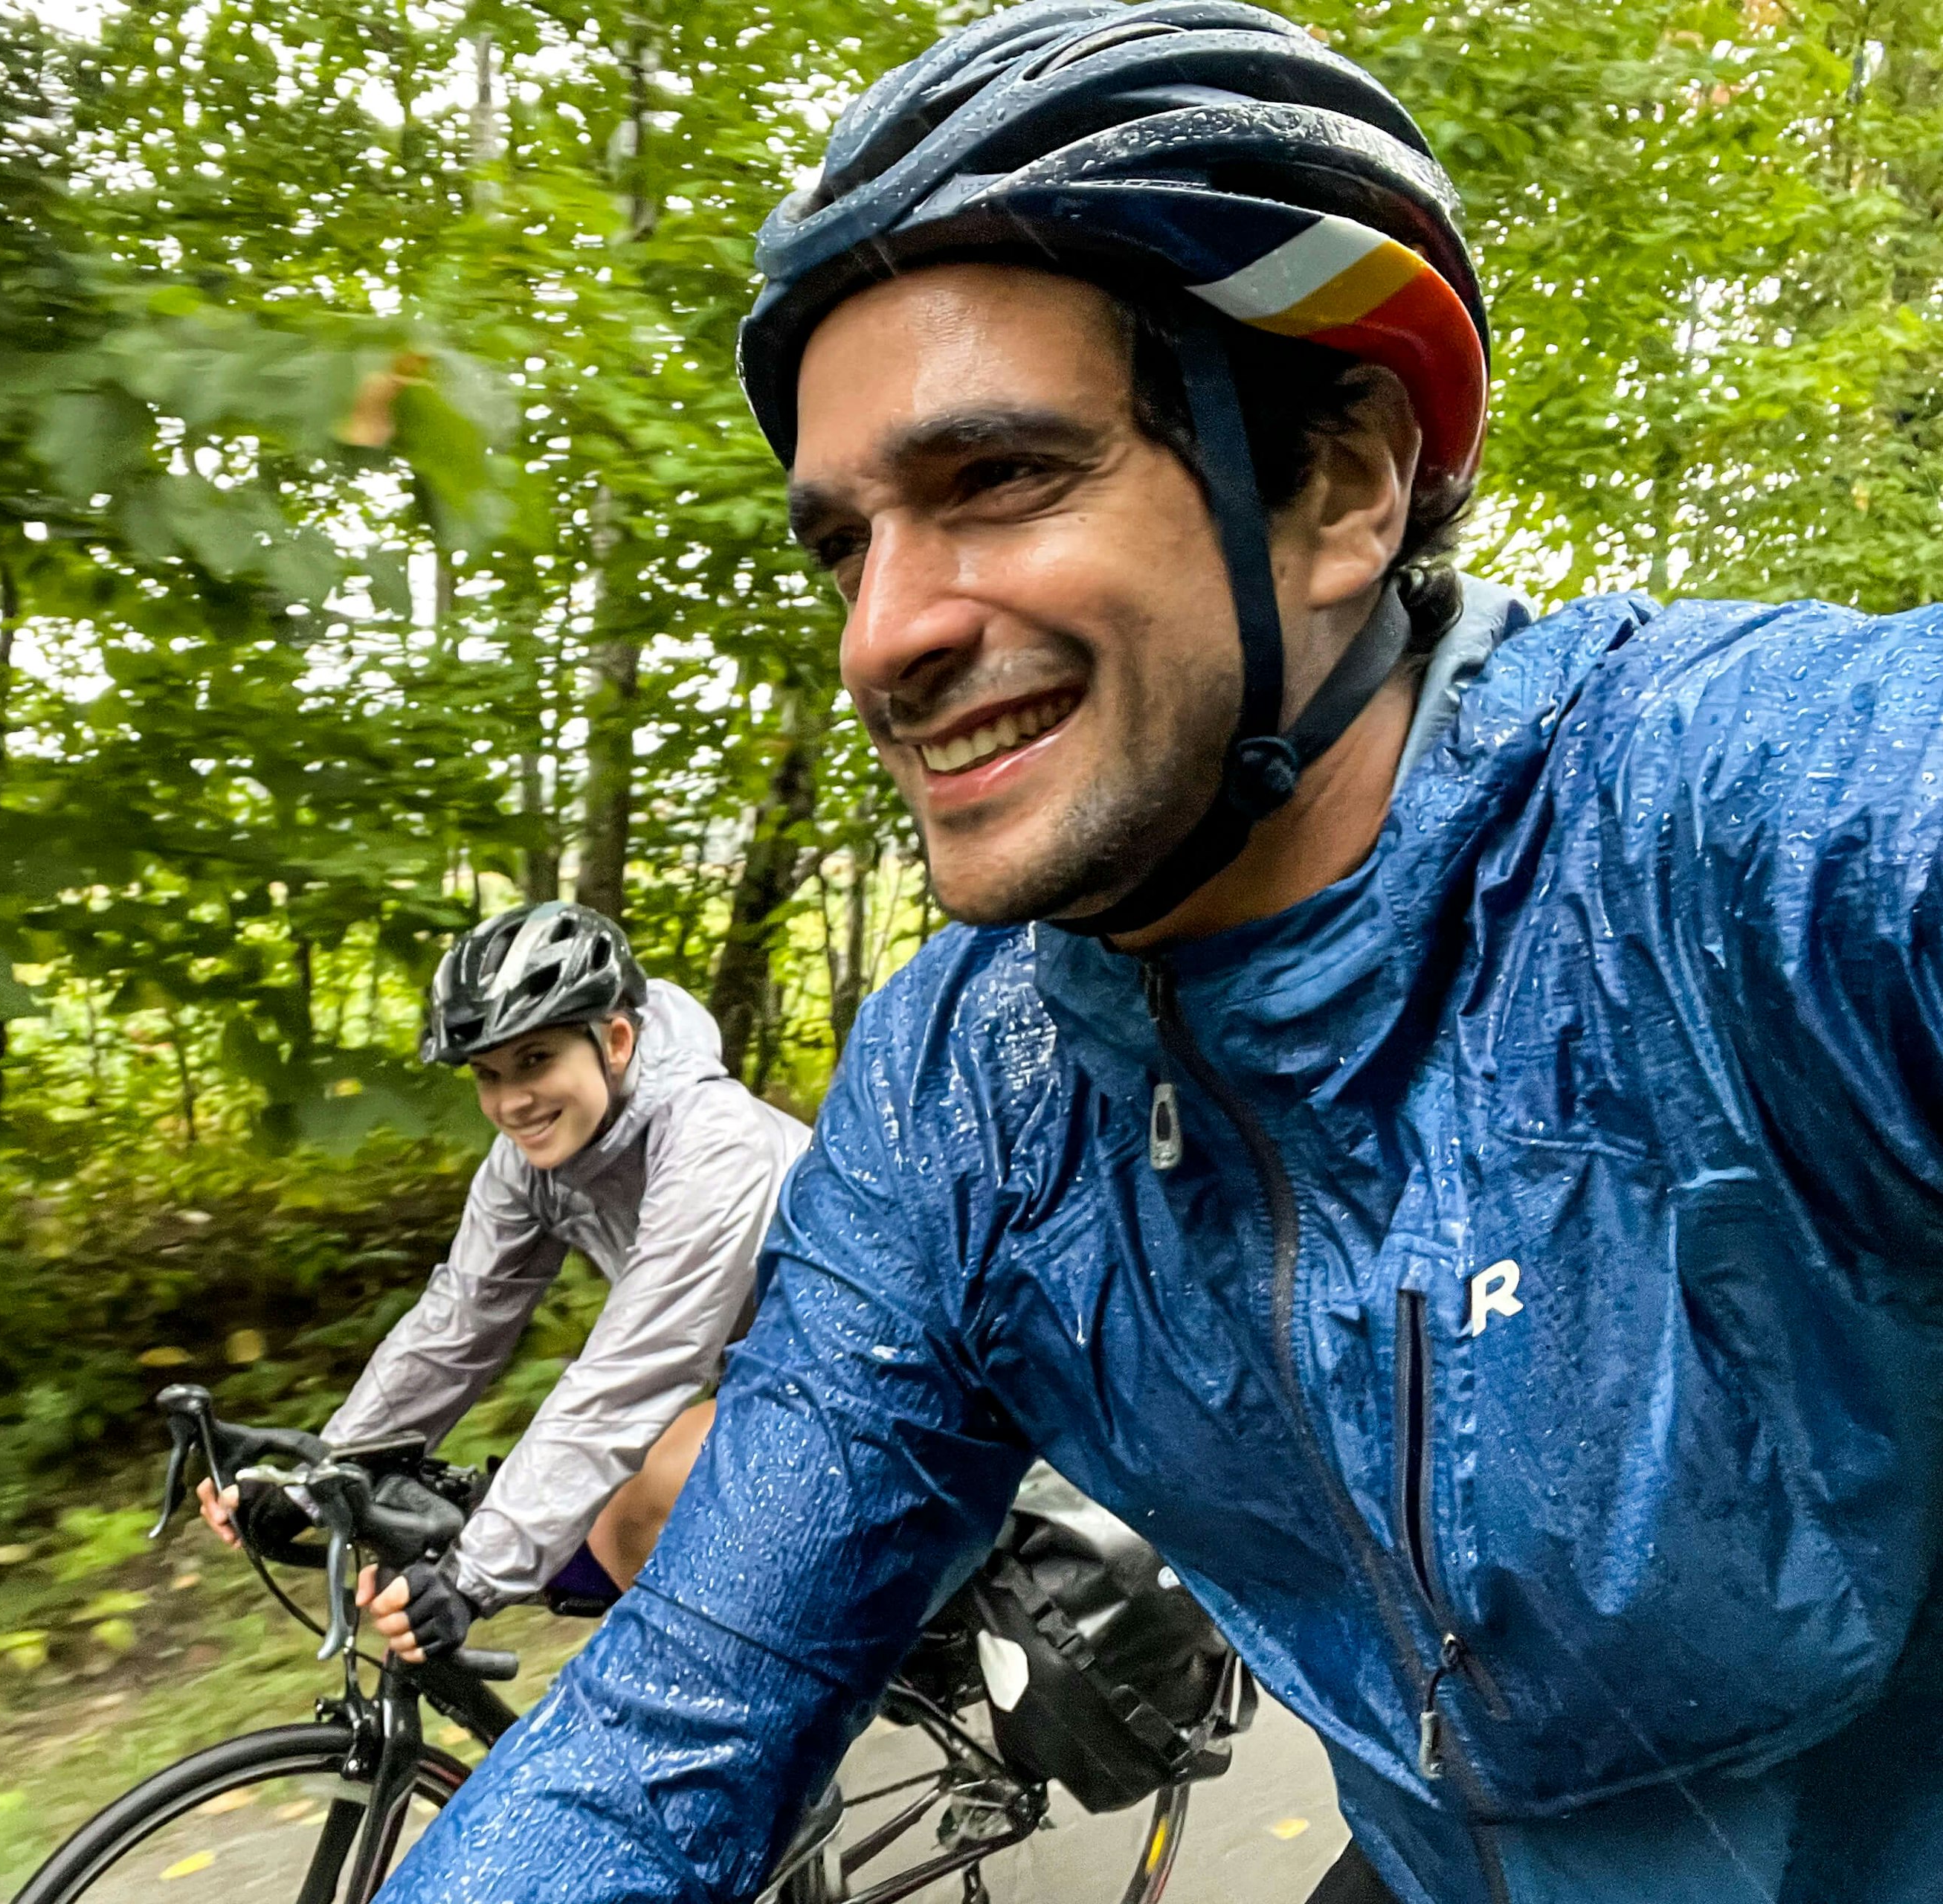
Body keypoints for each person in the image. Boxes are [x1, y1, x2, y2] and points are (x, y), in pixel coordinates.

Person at [372, 4, 1943, 1903]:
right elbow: (674, 1716)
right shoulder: (969, 1090)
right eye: (841, 545)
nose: (877, 640)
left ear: (1342, 488)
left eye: (999, 478)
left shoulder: (1723, 830)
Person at [197, 900, 810, 1663]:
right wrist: (311, 1484)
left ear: (616, 1040)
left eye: (536, 1060)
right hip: (776, 1371)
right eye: (488, 1074)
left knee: (642, 1502)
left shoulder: (714, 1140)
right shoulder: (530, 1162)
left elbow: (634, 1371)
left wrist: (471, 1579)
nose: (511, 1101)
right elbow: (454, 1329)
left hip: (896, 1360)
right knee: (583, 1527)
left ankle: (772, 1767)